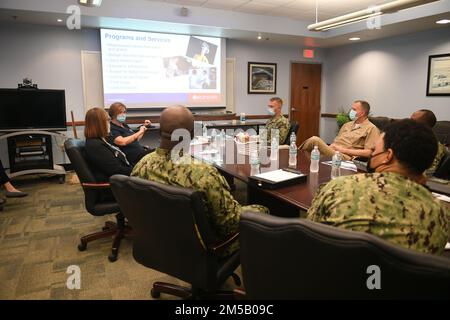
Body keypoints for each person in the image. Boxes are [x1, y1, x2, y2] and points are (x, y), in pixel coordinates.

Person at [132, 105, 269, 256]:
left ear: (158, 132)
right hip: (206, 247)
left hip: (161, 241)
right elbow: (229, 224)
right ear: (191, 135)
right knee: (262, 210)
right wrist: (259, 209)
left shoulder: (141, 165)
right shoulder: (204, 174)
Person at [307, 119, 449, 255]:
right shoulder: (442, 214)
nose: (372, 154)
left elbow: (309, 235)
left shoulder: (339, 187)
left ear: (387, 156)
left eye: (374, 150)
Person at [299, 100, 380, 160]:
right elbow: (336, 142)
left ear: (362, 113)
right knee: (309, 154)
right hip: (333, 151)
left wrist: (343, 150)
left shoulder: (371, 128)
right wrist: (329, 148)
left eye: (354, 109)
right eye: (351, 109)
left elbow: (369, 152)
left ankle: (294, 152)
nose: (351, 111)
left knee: (315, 140)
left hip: (345, 156)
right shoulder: (347, 125)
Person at [84, 107, 132, 182]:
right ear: (99, 124)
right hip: (118, 185)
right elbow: (116, 170)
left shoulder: (101, 140)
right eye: (107, 120)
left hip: (122, 178)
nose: (109, 123)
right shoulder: (95, 145)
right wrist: (137, 170)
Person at [410, 109, 447, 174]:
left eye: (413, 121)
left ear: (425, 126)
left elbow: (428, 173)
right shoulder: (407, 139)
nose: (408, 123)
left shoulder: (434, 147)